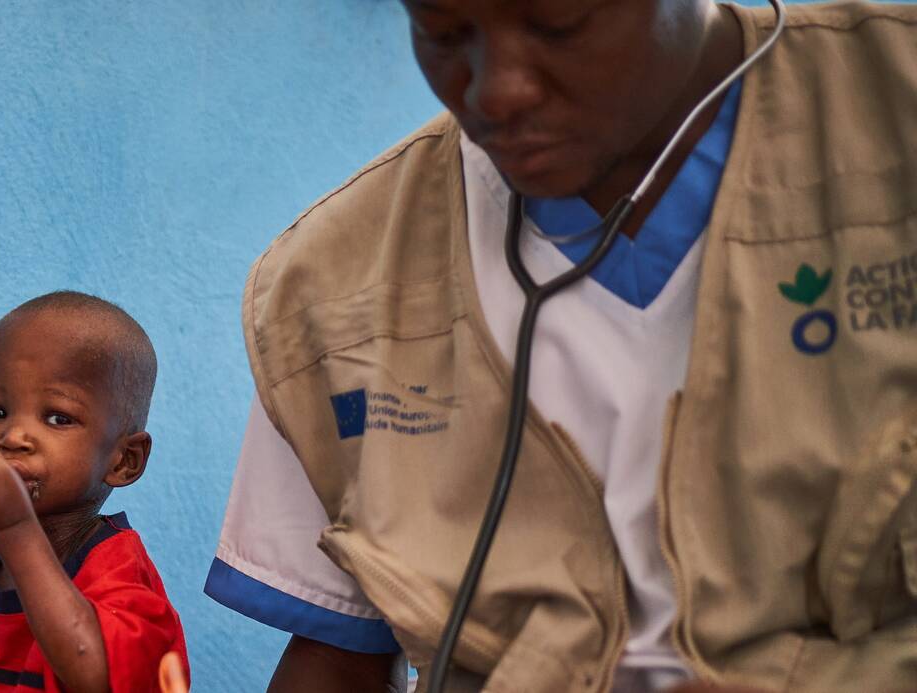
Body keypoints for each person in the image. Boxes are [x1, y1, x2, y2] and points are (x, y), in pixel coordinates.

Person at [205, 0, 917, 690]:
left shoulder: (894, 101)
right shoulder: (328, 296)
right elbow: (336, 660)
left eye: (559, 23)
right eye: (443, 30)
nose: (497, 90)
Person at [0, 291, 189, 693]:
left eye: (58, 417)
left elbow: (98, 678)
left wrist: (14, 529)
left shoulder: (118, 569)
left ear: (123, 460)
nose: (13, 436)